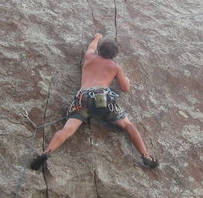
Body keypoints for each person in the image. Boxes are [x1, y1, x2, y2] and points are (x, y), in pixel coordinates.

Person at [31, 33, 158, 171]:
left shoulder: (90, 57)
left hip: (83, 97)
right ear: (114, 55)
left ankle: (47, 152)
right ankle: (146, 156)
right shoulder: (115, 67)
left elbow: (91, 47)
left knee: (68, 129)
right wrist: (124, 79)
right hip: (104, 97)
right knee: (127, 125)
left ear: (100, 50)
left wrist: (97, 37)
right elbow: (125, 88)